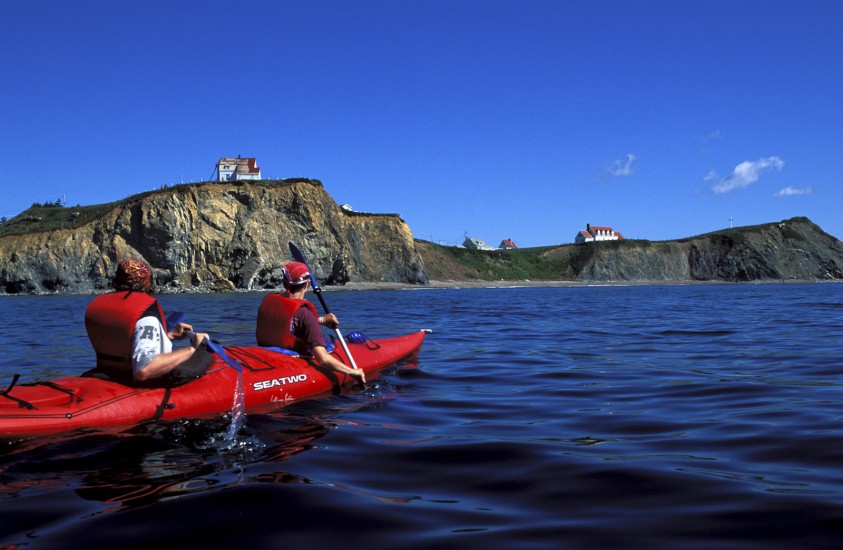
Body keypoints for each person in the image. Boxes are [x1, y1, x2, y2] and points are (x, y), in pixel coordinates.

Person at [84, 258, 211, 384]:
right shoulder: (146, 314)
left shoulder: (106, 306)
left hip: (107, 374)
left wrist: (168, 337)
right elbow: (144, 369)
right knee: (204, 357)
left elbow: (124, 339)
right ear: (146, 282)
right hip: (138, 383)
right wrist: (193, 348)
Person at [256, 261, 366, 383]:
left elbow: (287, 322)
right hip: (291, 360)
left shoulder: (272, 301)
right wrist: (353, 372)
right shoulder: (305, 315)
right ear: (307, 284)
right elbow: (323, 359)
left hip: (267, 354)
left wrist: (322, 320)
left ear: (285, 282)